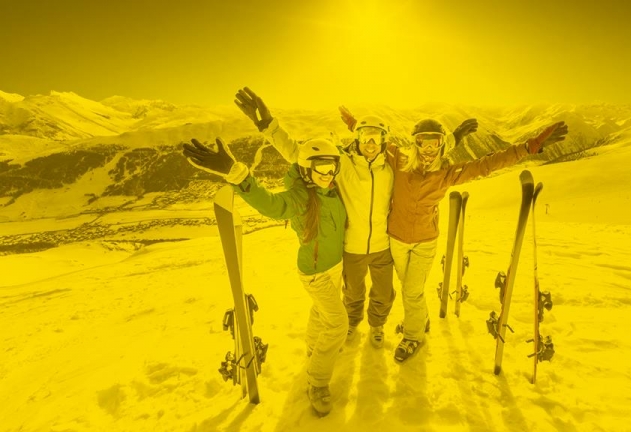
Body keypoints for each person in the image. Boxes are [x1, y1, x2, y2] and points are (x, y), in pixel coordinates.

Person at [340, 108, 568, 362]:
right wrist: (354, 124)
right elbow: (373, 139)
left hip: (424, 242)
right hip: (396, 240)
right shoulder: (400, 161)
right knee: (410, 289)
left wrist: (528, 147)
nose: (428, 149)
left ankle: (413, 336)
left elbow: (486, 165)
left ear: (441, 145)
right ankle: (420, 319)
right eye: (422, 142)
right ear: (415, 144)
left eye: (435, 143)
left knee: (412, 292)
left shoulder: (446, 173)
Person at [182, 136, 346, 416]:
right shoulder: (301, 196)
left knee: (322, 312)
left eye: (332, 167)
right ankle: (317, 382)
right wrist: (237, 173)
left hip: (335, 266)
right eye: (320, 167)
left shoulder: (332, 190)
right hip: (315, 272)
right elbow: (271, 204)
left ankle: (313, 350)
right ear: (306, 169)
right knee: (338, 324)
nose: (327, 174)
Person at [234, 87, 398, 349]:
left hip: (382, 245)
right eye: (365, 137)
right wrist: (268, 126)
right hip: (352, 246)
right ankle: (351, 324)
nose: (370, 143)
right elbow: (299, 153)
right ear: (357, 139)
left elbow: (424, 163)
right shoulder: (343, 164)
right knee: (353, 293)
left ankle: (377, 325)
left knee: (384, 292)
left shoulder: (391, 168)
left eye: (376, 138)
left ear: (384, 141)